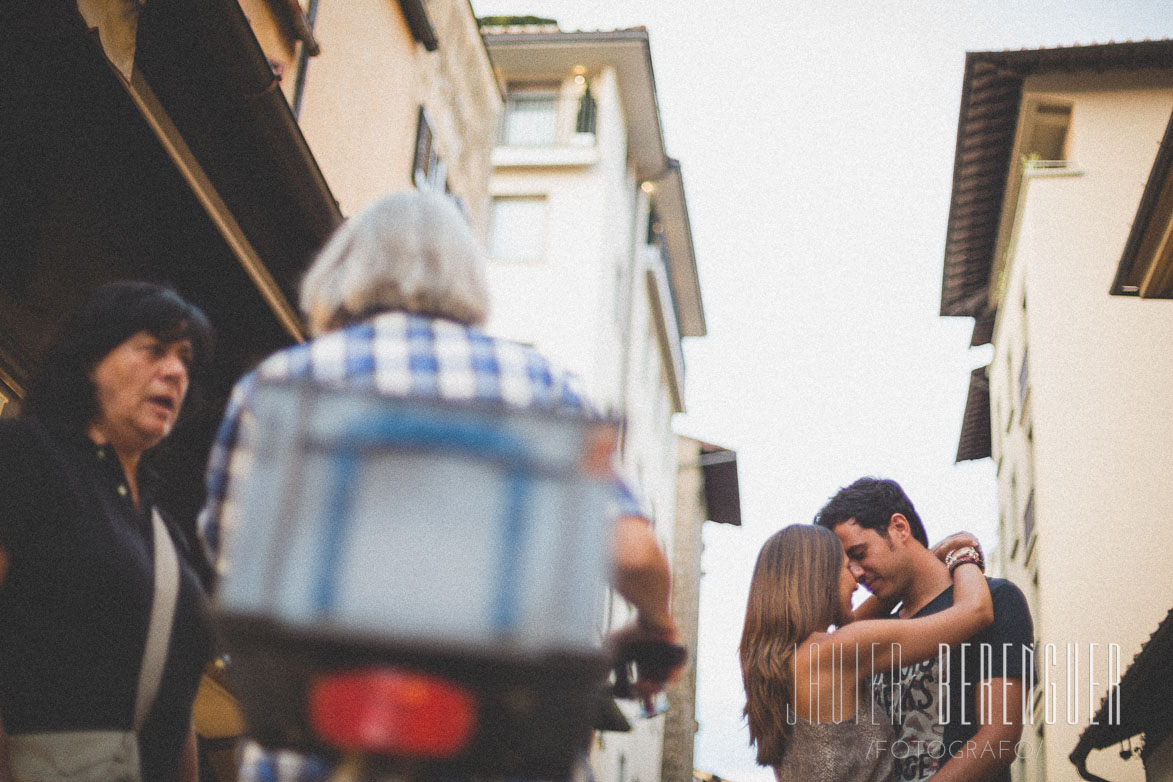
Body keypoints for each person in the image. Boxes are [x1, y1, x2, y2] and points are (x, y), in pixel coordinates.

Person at [198, 189, 681, 781]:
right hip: (503, 754)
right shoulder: (548, 390)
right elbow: (634, 555)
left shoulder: (281, 387)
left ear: (340, 272)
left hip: (318, 749)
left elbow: (233, 560)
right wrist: (655, 624)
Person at [0, 281, 215, 782]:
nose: (176, 371)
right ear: (89, 362)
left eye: (185, 358)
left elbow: (177, 707)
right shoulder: (25, 457)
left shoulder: (166, 534)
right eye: (155, 350)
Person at [813, 477, 1034, 782]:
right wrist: (946, 554)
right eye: (848, 565)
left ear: (899, 528)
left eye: (860, 553)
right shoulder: (875, 630)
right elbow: (842, 631)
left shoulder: (997, 599)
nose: (857, 573)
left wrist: (959, 559)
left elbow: (1000, 739)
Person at [740, 524, 992, 782]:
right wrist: (964, 556)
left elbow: (852, 625)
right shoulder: (835, 653)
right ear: (820, 577)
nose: (857, 579)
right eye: (847, 567)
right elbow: (976, 611)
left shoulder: (782, 662)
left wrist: (926, 558)